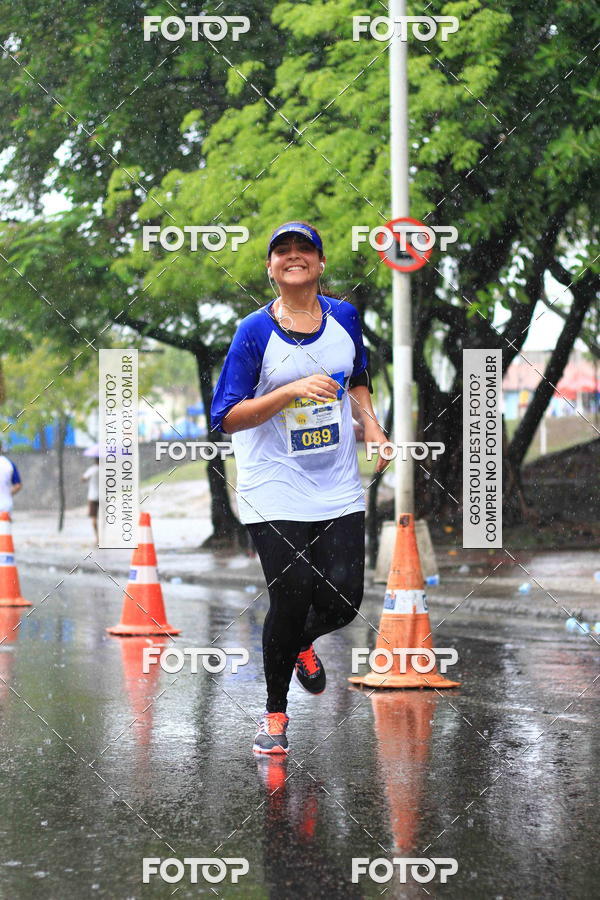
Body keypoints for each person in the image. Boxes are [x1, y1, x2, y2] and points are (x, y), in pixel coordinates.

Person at [211, 221, 388, 754]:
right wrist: (288, 391)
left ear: (320, 262)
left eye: (304, 250)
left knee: (343, 601)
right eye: (282, 251)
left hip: (336, 482)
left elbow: (357, 377)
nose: (293, 257)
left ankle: (302, 642)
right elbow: (228, 416)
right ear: (269, 268)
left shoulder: (346, 317)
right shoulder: (253, 332)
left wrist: (373, 426)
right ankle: (274, 716)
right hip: (273, 486)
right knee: (289, 598)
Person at [0, 441, 22, 515]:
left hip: (5, 505)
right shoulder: (8, 464)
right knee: (3, 526)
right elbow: (18, 485)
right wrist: (7, 494)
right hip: (5, 506)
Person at [81, 456, 100, 541]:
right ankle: (103, 535)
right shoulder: (106, 469)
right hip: (103, 497)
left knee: (94, 518)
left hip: (93, 496)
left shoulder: (92, 469)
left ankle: (97, 537)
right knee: (104, 518)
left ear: (95, 460)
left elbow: (83, 479)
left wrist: (87, 478)